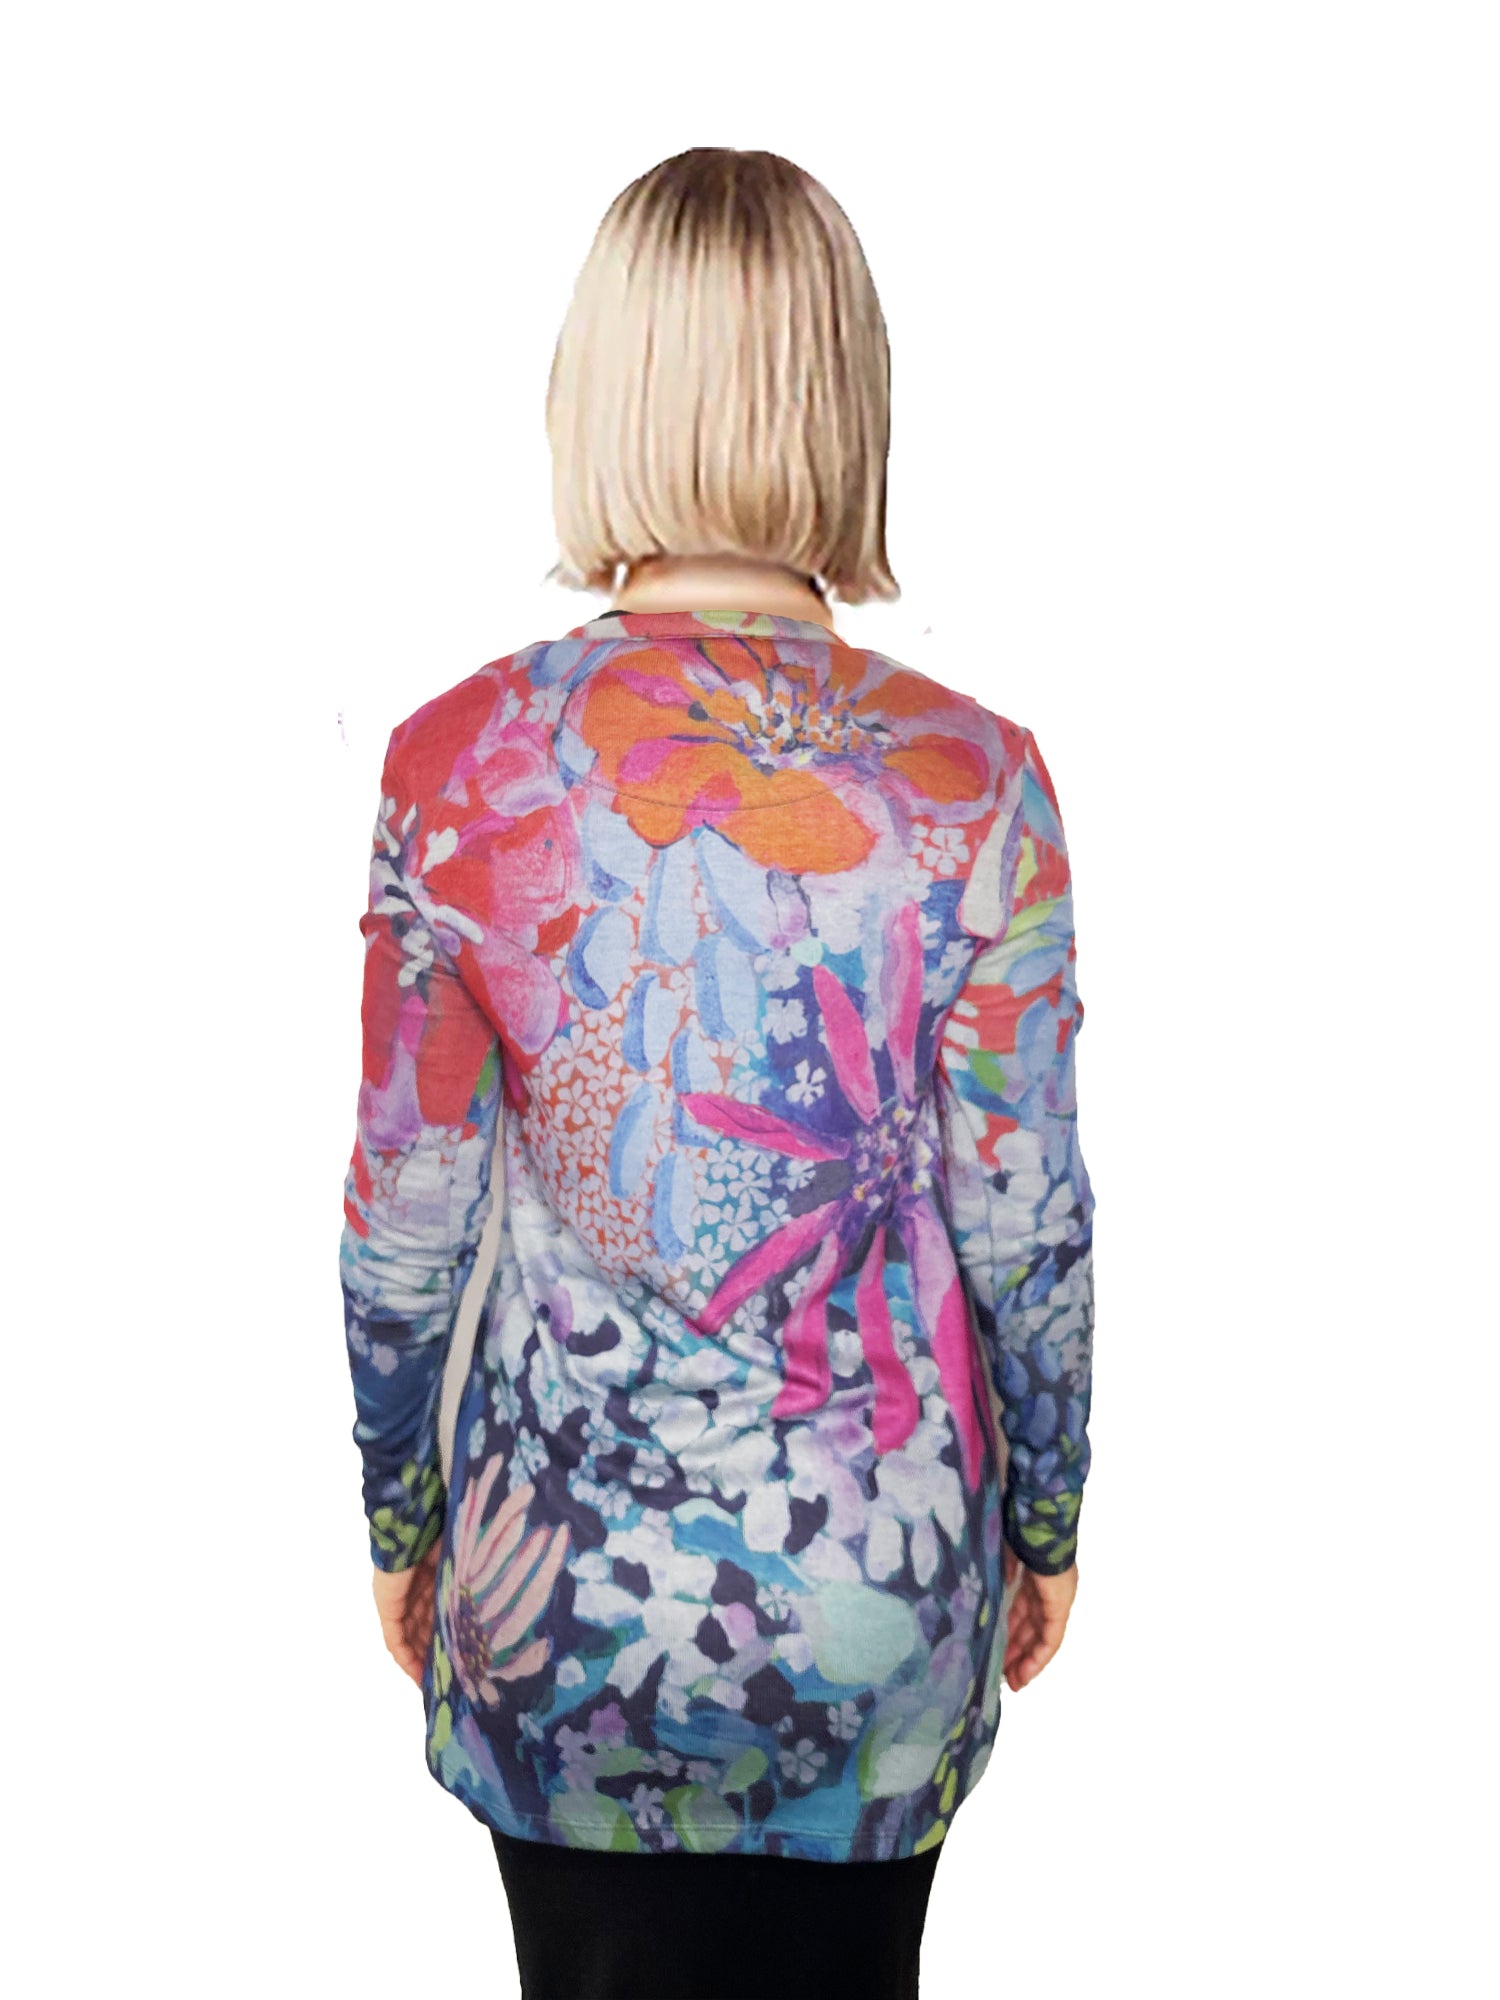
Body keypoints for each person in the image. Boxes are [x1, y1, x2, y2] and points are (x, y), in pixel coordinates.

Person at [339, 146, 1096, 2000]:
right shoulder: (975, 782)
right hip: (875, 1616)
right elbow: (1029, 1222)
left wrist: (404, 1520)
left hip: (561, 1603)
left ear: (594, 394)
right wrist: (1051, 1518)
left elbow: (401, 1222)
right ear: (848, 401)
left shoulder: (459, 762)